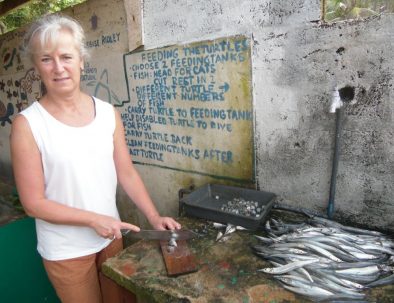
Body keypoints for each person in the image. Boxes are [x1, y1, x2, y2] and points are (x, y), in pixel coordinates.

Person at [10, 14, 181, 303]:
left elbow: (125, 171)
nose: (59, 67)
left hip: (110, 239)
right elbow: (32, 203)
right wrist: (93, 220)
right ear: (37, 67)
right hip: (65, 251)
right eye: (46, 59)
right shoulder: (28, 125)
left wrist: (154, 217)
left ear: (81, 61)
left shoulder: (107, 113)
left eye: (66, 56)